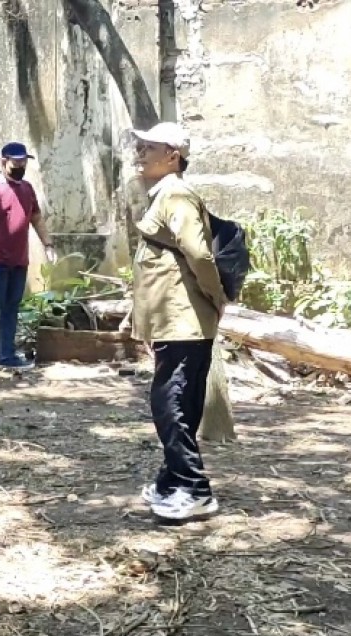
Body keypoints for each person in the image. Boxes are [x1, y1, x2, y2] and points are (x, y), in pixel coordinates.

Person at [129, 122, 225, 520]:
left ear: (172, 156)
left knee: (172, 404)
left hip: (184, 319)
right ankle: (172, 482)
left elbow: (198, 255)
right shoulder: (164, 194)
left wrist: (215, 297)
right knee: (175, 401)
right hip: (173, 319)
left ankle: (195, 489)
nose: (140, 152)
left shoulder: (177, 195)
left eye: (149, 147)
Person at [0, 142, 55, 369]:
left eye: (24, 162)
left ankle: (6, 355)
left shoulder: (27, 188)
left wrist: (48, 244)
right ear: (3, 162)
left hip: (19, 259)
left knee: (11, 306)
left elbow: (36, 218)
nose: (20, 166)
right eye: (16, 162)